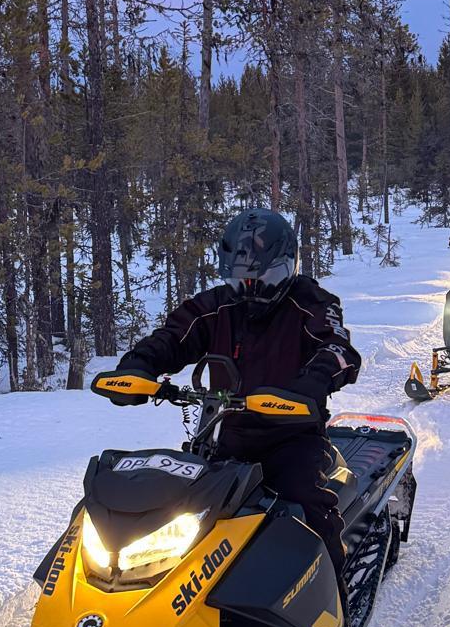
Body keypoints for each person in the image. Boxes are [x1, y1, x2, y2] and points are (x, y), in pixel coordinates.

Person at [105, 208, 359, 584]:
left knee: (308, 504)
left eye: (263, 277)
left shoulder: (312, 303)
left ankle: (334, 603)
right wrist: (139, 364)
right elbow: (174, 337)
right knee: (175, 512)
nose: (251, 289)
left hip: (292, 437)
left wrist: (312, 381)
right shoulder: (218, 305)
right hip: (223, 436)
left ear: (288, 265)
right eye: (240, 279)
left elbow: (339, 348)